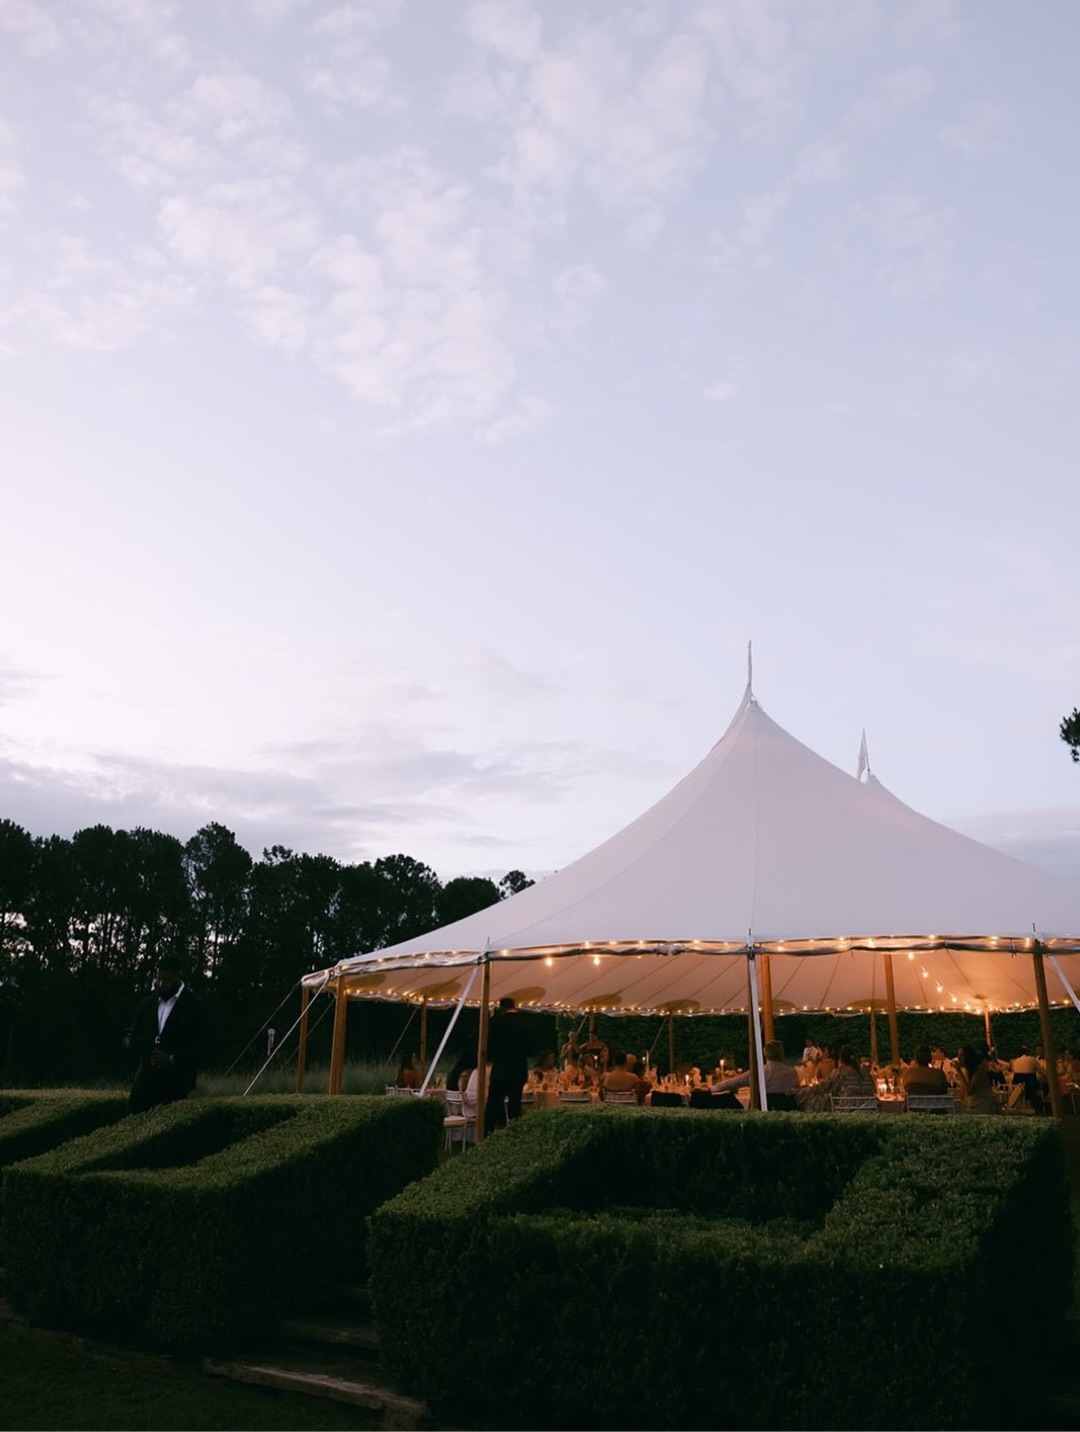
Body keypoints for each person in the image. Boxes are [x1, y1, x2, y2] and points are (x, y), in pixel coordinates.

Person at [123, 955, 209, 1113]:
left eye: (166, 980)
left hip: (176, 1087)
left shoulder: (195, 1007)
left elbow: (203, 1046)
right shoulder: (147, 1004)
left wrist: (172, 1059)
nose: (161, 984)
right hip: (144, 1085)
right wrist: (130, 1042)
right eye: (158, 979)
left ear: (178, 976)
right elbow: (134, 1032)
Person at [485, 996, 532, 1134]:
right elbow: (531, 1050)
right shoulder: (526, 1024)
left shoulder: (496, 1021)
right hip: (518, 1070)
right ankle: (514, 1133)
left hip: (501, 1070)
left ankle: (488, 1133)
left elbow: (489, 1043)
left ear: (501, 1008)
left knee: (494, 1103)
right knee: (515, 1105)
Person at [712, 1039, 802, 1109]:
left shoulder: (759, 1072)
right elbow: (796, 1091)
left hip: (762, 1109)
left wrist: (712, 1089)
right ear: (781, 1054)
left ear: (765, 1054)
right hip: (786, 1111)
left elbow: (734, 1082)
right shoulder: (792, 1072)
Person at [797, 1044, 874, 1112]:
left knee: (817, 1100)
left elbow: (822, 1087)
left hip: (848, 1108)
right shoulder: (866, 1073)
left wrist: (799, 1091)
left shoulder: (841, 1072)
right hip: (869, 1108)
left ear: (840, 1059)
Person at [957, 1043, 998, 1115]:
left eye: (961, 1055)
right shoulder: (969, 1071)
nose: (958, 1058)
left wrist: (958, 1071)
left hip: (981, 1110)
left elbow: (969, 1091)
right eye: (958, 1055)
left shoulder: (979, 1073)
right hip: (973, 1107)